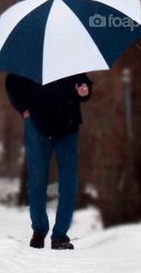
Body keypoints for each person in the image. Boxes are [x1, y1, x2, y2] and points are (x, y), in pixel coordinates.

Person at [6, 72, 93, 250]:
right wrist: (23, 108)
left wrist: (85, 90)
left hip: (68, 124)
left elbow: (83, 80)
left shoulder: (71, 51)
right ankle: (39, 230)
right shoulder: (27, 51)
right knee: (37, 180)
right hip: (37, 124)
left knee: (69, 182)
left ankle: (60, 236)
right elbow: (12, 81)